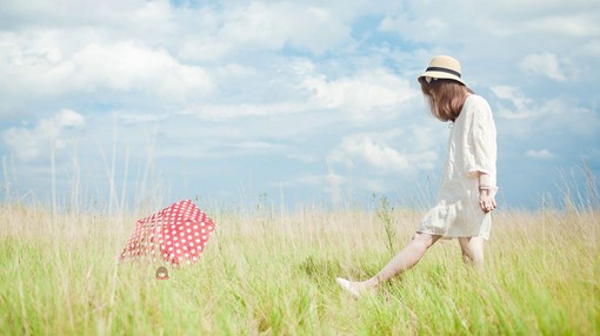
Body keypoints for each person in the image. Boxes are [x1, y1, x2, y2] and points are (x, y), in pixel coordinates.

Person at [336, 55, 498, 297]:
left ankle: (369, 287)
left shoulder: (476, 105)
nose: (433, 97)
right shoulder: (462, 112)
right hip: (459, 193)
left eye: (434, 92)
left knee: (424, 238)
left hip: (469, 193)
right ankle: (485, 299)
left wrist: (485, 190)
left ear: (446, 86)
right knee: (471, 251)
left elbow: (484, 147)